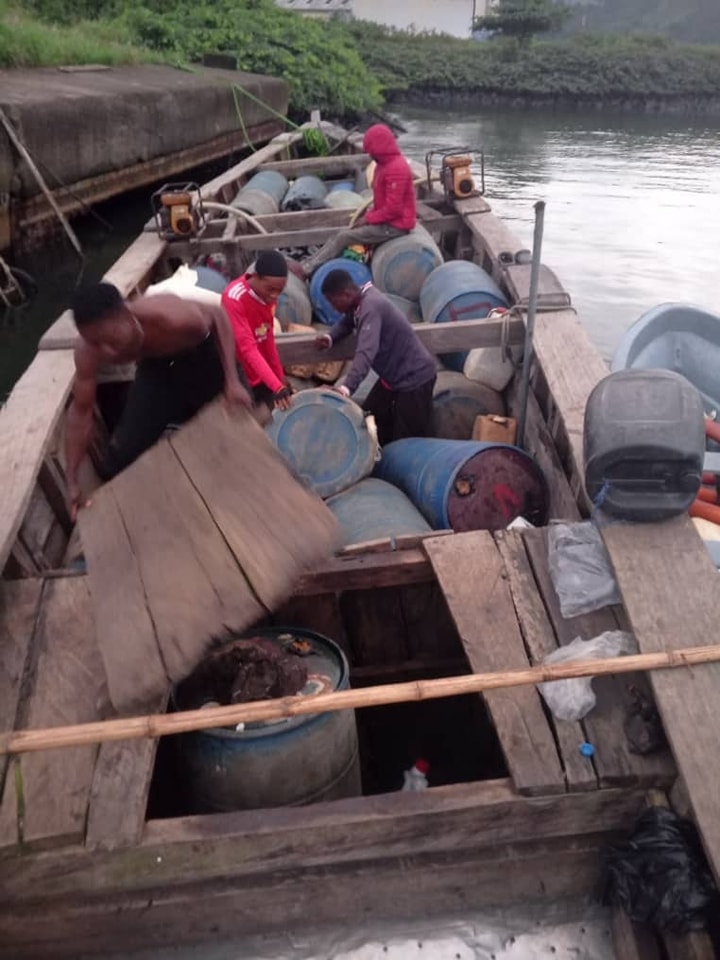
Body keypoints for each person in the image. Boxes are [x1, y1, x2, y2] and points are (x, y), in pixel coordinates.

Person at [66, 282, 251, 519]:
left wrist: (232, 382)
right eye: (94, 342)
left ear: (127, 314)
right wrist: (71, 477)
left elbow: (218, 315)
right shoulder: (86, 352)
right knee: (119, 460)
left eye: (110, 341)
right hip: (156, 369)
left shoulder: (170, 317)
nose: (106, 352)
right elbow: (81, 412)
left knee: (239, 431)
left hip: (202, 356)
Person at [315, 269, 436, 446]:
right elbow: (348, 321)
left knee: (407, 439)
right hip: (393, 378)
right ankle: (375, 456)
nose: (333, 308)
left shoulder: (371, 307)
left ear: (346, 294)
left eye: (334, 302)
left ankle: (398, 464)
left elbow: (366, 351)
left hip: (414, 378)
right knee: (369, 417)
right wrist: (330, 337)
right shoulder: (359, 300)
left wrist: (346, 388)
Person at [301, 124, 416, 277]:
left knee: (344, 237)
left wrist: (368, 219)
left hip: (396, 226)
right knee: (342, 232)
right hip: (387, 222)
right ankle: (309, 262)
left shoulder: (396, 169)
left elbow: (393, 209)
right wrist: (369, 216)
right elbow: (381, 202)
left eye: (372, 151)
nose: (370, 155)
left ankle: (307, 269)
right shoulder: (382, 166)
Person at [222, 250, 293, 414]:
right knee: (247, 417)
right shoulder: (234, 298)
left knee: (274, 411)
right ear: (257, 277)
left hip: (258, 366)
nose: (274, 295)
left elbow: (267, 339)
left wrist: (279, 377)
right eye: (270, 289)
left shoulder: (269, 299)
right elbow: (247, 348)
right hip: (236, 368)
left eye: (279, 291)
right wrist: (276, 386)